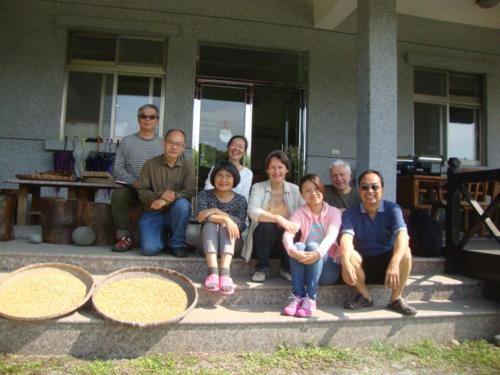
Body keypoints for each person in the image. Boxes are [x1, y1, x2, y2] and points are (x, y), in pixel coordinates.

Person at [339, 170, 417, 316]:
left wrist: (394, 262)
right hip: (363, 265)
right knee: (350, 255)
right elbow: (346, 239)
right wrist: (345, 263)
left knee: (405, 251)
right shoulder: (350, 213)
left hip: (388, 267)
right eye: (365, 187)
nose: (370, 191)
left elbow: (402, 235)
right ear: (359, 190)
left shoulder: (393, 209)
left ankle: (396, 299)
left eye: (375, 187)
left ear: (382, 189)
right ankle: (365, 296)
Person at [282, 174, 342, 317]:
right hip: (306, 270)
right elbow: (287, 234)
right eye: (307, 190)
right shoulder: (300, 212)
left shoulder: (334, 212)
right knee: (298, 246)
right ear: (302, 194)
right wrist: (292, 251)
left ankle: (311, 298)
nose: (313, 193)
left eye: (316, 189)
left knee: (313, 245)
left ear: (322, 190)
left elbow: (331, 236)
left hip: (329, 269)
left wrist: (318, 253)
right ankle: (298, 296)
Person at [242, 150, 303, 282]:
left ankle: (286, 269)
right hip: (262, 242)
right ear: (267, 170)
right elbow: (252, 211)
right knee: (267, 226)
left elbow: (304, 213)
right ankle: (261, 269)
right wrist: (278, 218)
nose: (276, 171)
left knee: (294, 228)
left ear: (286, 169)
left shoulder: (295, 189)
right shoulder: (258, 187)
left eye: (280, 167)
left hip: (285, 245)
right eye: (272, 167)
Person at [111, 104, 164, 252]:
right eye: (144, 116)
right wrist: (133, 181)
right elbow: (117, 168)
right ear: (138, 119)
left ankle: (174, 238)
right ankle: (124, 237)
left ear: (157, 121)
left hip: (156, 191)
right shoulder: (127, 142)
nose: (148, 119)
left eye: (152, 117)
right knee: (118, 195)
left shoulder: (163, 144)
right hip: (133, 188)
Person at [137, 129, 195, 258]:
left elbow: (189, 191)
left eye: (179, 144)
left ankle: (177, 244)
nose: (174, 147)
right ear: (164, 143)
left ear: (183, 147)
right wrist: (158, 197)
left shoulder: (188, 166)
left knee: (183, 205)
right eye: (171, 142)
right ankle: (163, 237)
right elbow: (142, 191)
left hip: (175, 213)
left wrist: (167, 199)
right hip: (153, 213)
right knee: (149, 249)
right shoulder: (150, 164)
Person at [197, 161, 248, 295]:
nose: (223, 179)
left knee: (227, 226)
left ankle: (225, 274)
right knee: (210, 224)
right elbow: (201, 217)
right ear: (213, 177)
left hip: (232, 244)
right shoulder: (204, 195)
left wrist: (217, 213)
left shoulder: (241, 200)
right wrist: (225, 218)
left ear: (234, 179)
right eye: (219, 175)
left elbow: (240, 224)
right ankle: (213, 273)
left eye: (228, 176)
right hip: (207, 243)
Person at [204, 135, 253, 201]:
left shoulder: (248, 173)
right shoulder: (215, 168)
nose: (236, 148)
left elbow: (244, 198)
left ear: (244, 152)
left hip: (235, 209)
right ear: (228, 147)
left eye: (240, 147)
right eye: (234, 145)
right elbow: (208, 190)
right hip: (213, 206)